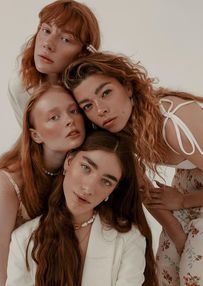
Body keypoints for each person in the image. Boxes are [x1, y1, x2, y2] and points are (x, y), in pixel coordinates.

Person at [63, 51, 203, 286]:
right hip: (191, 183)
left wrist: (184, 201)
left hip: (190, 194)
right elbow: (145, 190)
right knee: (166, 274)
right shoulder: (119, 132)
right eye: (88, 105)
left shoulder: (176, 124)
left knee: (193, 275)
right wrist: (178, 236)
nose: (100, 109)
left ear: (127, 86)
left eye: (106, 93)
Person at [0, 83, 85, 286]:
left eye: (73, 111)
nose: (69, 120)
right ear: (35, 135)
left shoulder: (79, 168)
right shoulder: (10, 183)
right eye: (54, 117)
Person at [6, 130, 158, 286]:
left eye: (106, 182)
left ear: (112, 191)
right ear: (69, 162)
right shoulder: (24, 239)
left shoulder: (129, 239)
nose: (89, 188)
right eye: (86, 167)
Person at [8, 0, 100, 126]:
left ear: (83, 53)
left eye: (65, 39)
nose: (48, 44)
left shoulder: (93, 92)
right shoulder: (21, 86)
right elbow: (30, 141)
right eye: (46, 30)